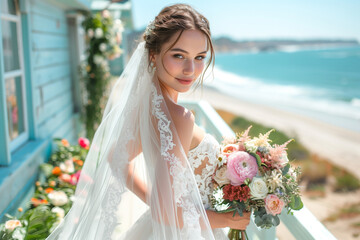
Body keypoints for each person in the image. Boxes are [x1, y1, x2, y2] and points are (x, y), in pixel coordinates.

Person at [46, 4, 250, 240]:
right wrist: (225, 219)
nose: (190, 69)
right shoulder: (179, 117)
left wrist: (156, 199)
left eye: (199, 57)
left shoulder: (149, 105)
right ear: (153, 54)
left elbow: (116, 157)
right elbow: (165, 212)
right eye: (178, 55)